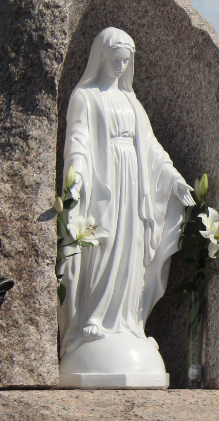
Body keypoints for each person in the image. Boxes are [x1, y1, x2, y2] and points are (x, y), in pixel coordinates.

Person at [60, 27, 194, 362]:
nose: (120, 66)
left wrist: (175, 180)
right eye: (115, 59)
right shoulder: (85, 98)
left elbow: (151, 149)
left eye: (126, 60)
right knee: (102, 246)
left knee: (132, 248)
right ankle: (93, 318)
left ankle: (127, 322)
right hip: (102, 184)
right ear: (101, 58)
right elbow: (78, 141)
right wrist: (74, 179)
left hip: (134, 183)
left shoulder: (132, 102)